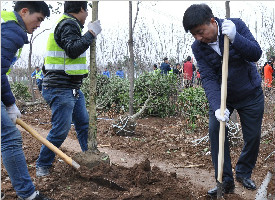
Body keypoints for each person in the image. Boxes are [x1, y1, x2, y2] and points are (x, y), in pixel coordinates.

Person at [183, 3, 264, 197]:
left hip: (249, 93)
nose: (198, 38)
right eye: (194, 34)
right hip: (222, 97)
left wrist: (236, 38)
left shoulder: (235, 26)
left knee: (252, 137)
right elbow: (209, 77)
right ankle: (225, 180)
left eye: (200, 32)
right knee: (215, 132)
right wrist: (217, 107)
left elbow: (256, 53)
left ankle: (243, 172)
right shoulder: (198, 48)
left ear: (212, 21)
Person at [36, 1, 102, 177]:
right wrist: (91, 33)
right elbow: (73, 50)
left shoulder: (68, 24)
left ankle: (89, 159)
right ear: (80, 9)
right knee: (60, 130)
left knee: (83, 124)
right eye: (86, 10)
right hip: (60, 88)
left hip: (71, 88)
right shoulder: (68, 24)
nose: (87, 14)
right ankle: (43, 165)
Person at [1, 2, 51, 200]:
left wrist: (9, 103)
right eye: (38, 18)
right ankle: (28, 195)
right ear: (24, 12)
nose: (39, 24)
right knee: (10, 137)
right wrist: (10, 103)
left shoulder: (6, 25)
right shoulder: (12, 31)